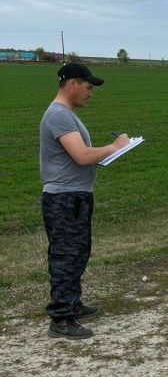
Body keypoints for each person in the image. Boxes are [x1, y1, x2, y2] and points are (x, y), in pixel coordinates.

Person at [40, 63, 130, 339]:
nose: (90, 93)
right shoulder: (59, 115)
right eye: (88, 87)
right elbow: (81, 155)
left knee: (78, 252)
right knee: (66, 255)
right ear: (72, 84)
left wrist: (109, 151)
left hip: (75, 195)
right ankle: (61, 319)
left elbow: (82, 155)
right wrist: (114, 147)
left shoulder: (66, 115)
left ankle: (72, 303)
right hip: (64, 198)